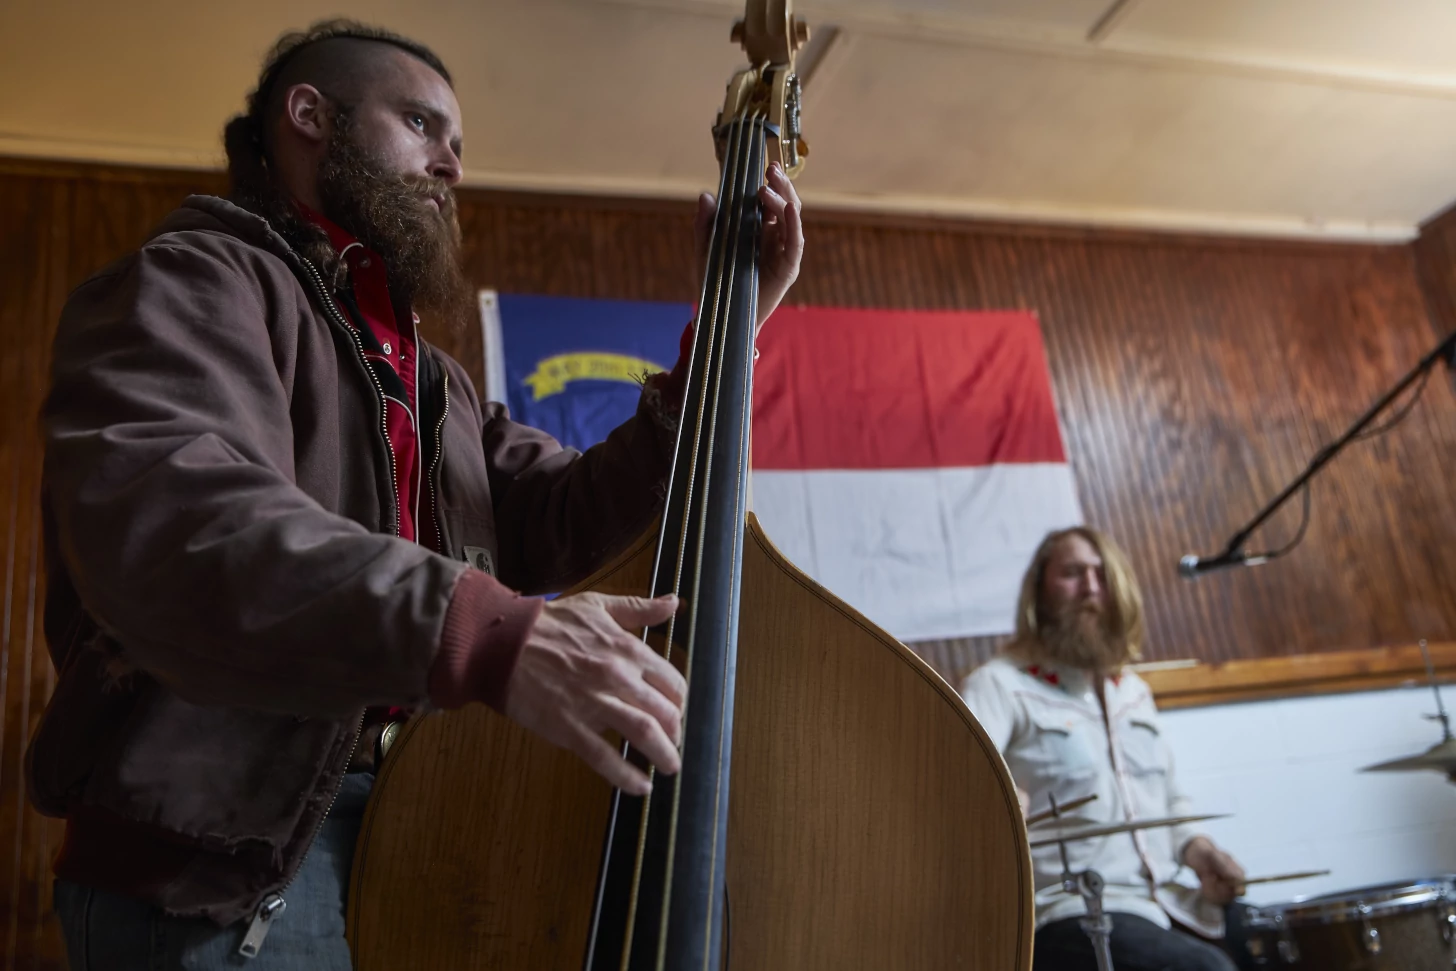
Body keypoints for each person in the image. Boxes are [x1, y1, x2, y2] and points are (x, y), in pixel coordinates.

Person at [28, 20, 804, 970]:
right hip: (221, 864)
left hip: (417, 831)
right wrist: (489, 629)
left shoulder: (438, 383)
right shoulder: (194, 281)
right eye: (422, 125)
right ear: (309, 116)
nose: (452, 167)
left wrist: (733, 324)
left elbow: (567, 516)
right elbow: (179, 523)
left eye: (459, 146)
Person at [960, 527, 1247, 971]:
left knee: (1261, 937)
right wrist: (988, 801)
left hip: (1164, 903)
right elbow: (954, 786)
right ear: (1039, 591)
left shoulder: (1132, 691)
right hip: (1069, 913)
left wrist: (1199, 849)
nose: (1091, 587)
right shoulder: (1000, 684)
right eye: (1072, 573)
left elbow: (1169, 801)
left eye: (1101, 574)